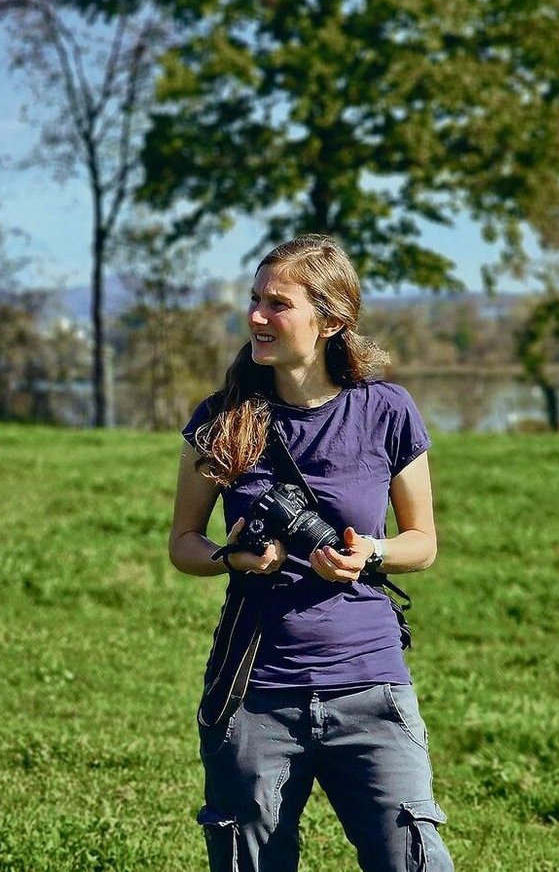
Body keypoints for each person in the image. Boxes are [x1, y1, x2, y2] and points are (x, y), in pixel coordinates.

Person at [169, 235, 452, 871]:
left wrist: (370, 553)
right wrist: (229, 558)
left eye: (278, 303)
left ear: (331, 319)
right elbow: (183, 543)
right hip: (255, 690)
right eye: (254, 301)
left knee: (414, 861)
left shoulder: (386, 411)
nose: (256, 317)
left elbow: (423, 543)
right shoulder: (222, 420)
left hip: (371, 685)